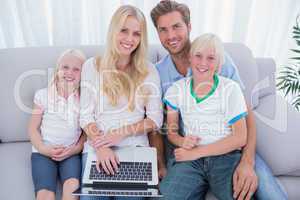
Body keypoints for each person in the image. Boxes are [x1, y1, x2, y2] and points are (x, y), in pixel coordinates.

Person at [149, 1, 288, 200]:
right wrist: (162, 162)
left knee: (264, 189)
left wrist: (247, 161)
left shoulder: (217, 60)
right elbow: (157, 125)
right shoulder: (159, 73)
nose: (171, 35)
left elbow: (246, 113)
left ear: (189, 26)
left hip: (228, 146)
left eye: (176, 26)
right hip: (189, 151)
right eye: (163, 30)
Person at [79, 5, 163, 200]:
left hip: (135, 149)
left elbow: (155, 119)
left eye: (136, 34)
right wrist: (101, 147)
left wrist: (120, 133)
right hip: (97, 148)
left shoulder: (149, 71)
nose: (129, 39)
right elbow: (85, 115)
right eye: (124, 30)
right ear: (113, 31)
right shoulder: (91, 66)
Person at [161, 33, 248, 200]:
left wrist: (197, 152)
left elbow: (240, 137)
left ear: (219, 64)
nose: (203, 63)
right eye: (198, 56)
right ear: (189, 58)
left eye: (211, 58)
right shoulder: (176, 89)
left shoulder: (230, 88)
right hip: (190, 160)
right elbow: (171, 132)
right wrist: (181, 141)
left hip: (226, 158)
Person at [28, 49, 87, 200]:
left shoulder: (84, 98)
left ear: (83, 75)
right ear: (57, 70)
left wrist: (75, 149)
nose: (69, 72)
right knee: (45, 192)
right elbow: (33, 128)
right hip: (43, 152)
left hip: (71, 153)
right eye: (65, 67)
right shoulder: (43, 95)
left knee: (72, 186)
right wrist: (43, 149)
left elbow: (86, 132)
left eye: (76, 69)